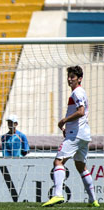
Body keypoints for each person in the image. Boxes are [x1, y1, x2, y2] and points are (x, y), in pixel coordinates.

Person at [42, 66, 100, 207]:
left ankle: (57, 195)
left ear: (79, 78)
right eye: (69, 76)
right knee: (81, 166)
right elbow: (82, 114)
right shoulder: (80, 93)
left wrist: (64, 121)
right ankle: (93, 200)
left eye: (73, 77)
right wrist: (68, 127)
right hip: (83, 134)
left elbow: (80, 112)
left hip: (76, 135)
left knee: (58, 162)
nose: (69, 79)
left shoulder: (77, 93)